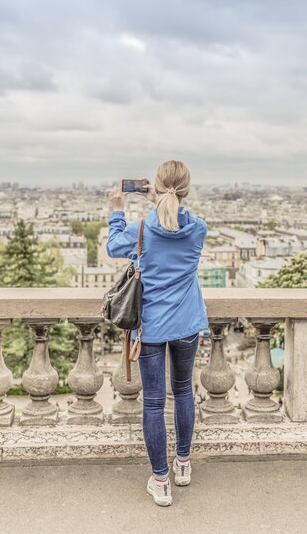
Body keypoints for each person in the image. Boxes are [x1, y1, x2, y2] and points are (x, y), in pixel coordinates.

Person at [106, 159, 208, 507]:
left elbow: (112, 246)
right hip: (187, 324)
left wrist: (117, 210)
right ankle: (183, 465)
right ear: (185, 191)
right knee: (182, 392)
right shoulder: (199, 229)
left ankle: (160, 480)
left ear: (160, 188)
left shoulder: (141, 230)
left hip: (150, 327)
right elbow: (180, 221)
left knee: (153, 403)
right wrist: (160, 198)